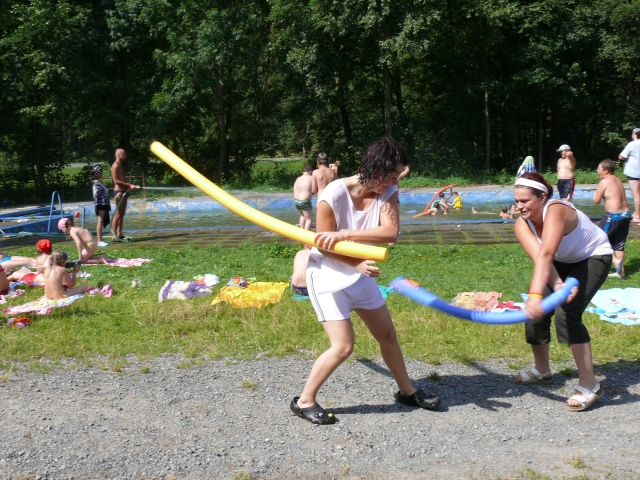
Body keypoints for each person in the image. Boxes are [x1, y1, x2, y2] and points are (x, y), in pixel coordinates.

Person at [291, 138, 440, 425]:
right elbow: (323, 245)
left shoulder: (387, 190)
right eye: (391, 176)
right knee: (343, 347)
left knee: (388, 336)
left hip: (360, 275)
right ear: (375, 169)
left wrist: (345, 235)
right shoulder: (333, 194)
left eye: (397, 177)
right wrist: (355, 261)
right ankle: (304, 401)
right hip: (326, 275)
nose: (394, 183)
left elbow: (390, 232)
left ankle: (407, 391)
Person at [512, 172, 612, 412]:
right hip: (559, 262)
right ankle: (542, 369)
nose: (519, 206)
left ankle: (590, 383)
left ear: (542, 197)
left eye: (525, 201)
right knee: (535, 312)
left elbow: (547, 254)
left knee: (566, 313)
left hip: (592, 256)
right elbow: (540, 258)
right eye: (517, 201)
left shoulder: (555, 210)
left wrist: (536, 295)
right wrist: (556, 286)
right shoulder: (521, 225)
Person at [594, 159, 631, 279]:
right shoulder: (618, 179)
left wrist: (596, 193)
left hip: (613, 216)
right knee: (619, 244)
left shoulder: (604, 182)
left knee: (598, 240)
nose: (597, 171)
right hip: (626, 215)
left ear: (606, 171)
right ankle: (621, 273)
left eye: (599, 168)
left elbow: (596, 201)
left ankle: (615, 261)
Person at [110, 148, 137, 242]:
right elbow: (116, 181)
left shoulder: (120, 166)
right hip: (118, 192)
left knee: (121, 214)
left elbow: (123, 179)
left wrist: (128, 186)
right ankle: (114, 236)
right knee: (117, 214)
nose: (125, 156)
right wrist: (128, 185)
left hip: (124, 191)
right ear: (118, 155)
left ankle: (119, 234)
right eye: (123, 154)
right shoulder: (115, 166)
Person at [618, 127, 640, 223]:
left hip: (634, 172)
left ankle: (637, 216)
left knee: (635, 194)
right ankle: (636, 212)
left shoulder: (632, 144)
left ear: (634, 134)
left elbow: (621, 156)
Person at [293, 166, 317, 230]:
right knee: (309, 219)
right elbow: (314, 190)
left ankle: (301, 231)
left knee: (303, 215)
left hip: (296, 200)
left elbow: (295, 190)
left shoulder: (298, 178)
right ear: (310, 171)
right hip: (305, 201)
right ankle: (306, 233)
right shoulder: (311, 178)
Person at [92, 165, 112, 247]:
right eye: (100, 172)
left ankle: (101, 240)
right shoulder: (96, 182)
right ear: (97, 173)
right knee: (100, 221)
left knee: (102, 221)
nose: (101, 174)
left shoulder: (99, 182)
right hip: (100, 204)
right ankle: (99, 241)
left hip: (103, 203)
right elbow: (97, 194)